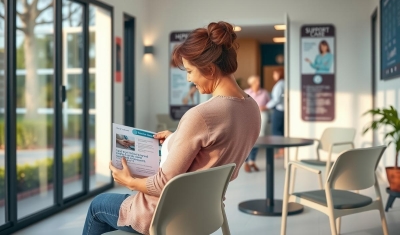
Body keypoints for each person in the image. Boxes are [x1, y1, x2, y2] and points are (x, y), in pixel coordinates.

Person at [82, 21, 261, 235]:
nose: (189, 79)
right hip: (204, 212)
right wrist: (176, 138)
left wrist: (129, 181)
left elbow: (162, 185)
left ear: (210, 70)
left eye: (190, 71)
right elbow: (215, 154)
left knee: (97, 205)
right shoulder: (251, 108)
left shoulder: (201, 116)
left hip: (164, 215)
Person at [243, 75, 270, 172]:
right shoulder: (246, 92)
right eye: (256, 82)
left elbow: (270, 104)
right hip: (248, 116)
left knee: (258, 138)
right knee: (247, 139)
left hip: (262, 115)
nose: (258, 83)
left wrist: (265, 107)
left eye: (258, 81)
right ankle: (246, 162)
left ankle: (252, 161)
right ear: (251, 83)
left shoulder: (264, 92)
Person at [266, 68, 284, 158]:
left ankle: (281, 151)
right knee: (282, 130)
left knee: (276, 131)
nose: (273, 76)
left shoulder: (279, 85)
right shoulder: (284, 83)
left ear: (279, 74)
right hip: (284, 110)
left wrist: (266, 106)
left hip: (279, 110)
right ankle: (283, 151)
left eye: (275, 74)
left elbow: (276, 99)